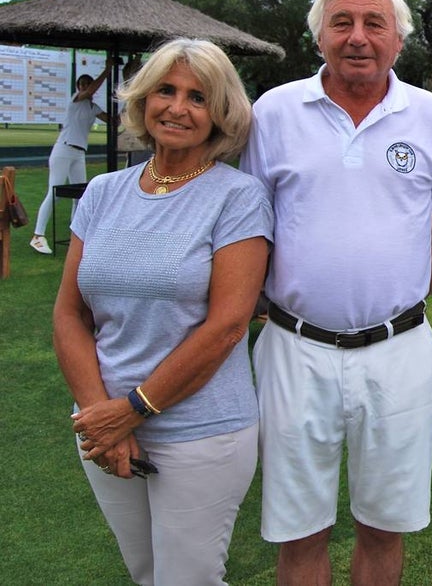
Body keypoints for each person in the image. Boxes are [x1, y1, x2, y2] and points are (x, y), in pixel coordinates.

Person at [241, 0, 432, 585]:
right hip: (293, 348)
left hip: (397, 351)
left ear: (399, 40)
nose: (358, 36)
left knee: (383, 526)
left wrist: (391, 299)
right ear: (319, 37)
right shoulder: (275, 112)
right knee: (298, 528)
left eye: (374, 23)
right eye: (342, 22)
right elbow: (251, 228)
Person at [53, 38, 273, 585]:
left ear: (220, 114)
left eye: (198, 97)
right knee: (146, 573)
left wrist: (132, 410)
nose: (178, 108)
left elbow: (226, 328)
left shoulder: (237, 197)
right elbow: (69, 314)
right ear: (143, 99)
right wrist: (100, 413)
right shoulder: (103, 193)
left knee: (188, 579)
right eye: (166, 91)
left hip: (200, 430)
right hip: (103, 424)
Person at [30, 60, 111, 254]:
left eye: (86, 83)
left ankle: (76, 235)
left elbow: (112, 121)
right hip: (63, 150)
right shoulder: (76, 99)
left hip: (79, 153)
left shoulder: (93, 108)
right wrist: (107, 69)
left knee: (81, 195)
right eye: (81, 84)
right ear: (78, 88)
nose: (83, 87)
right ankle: (37, 236)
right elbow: (90, 92)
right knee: (55, 193)